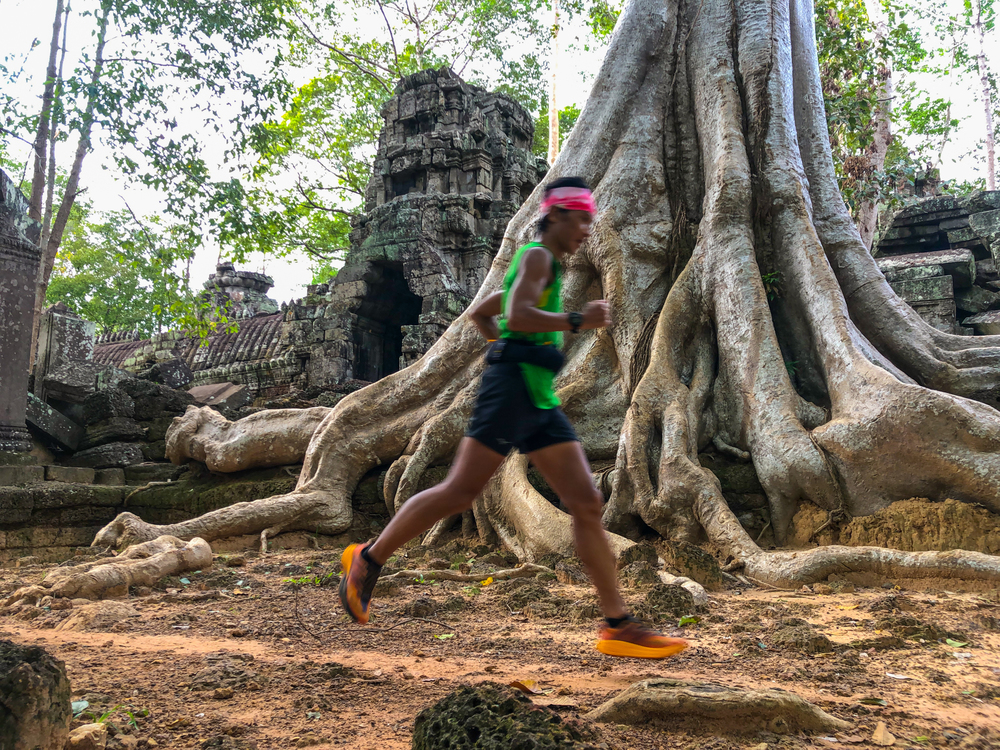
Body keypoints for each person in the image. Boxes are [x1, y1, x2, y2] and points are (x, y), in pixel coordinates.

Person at [339, 177, 689, 659]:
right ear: (557, 216)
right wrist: (573, 322)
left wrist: (511, 345)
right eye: (582, 218)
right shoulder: (537, 258)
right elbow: (520, 314)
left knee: (585, 502)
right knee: (459, 491)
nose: (588, 229)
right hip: (510, 393)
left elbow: (485, 315)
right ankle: (368, 557)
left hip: (536, 396)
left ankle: (618, 625)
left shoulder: (537, 263)